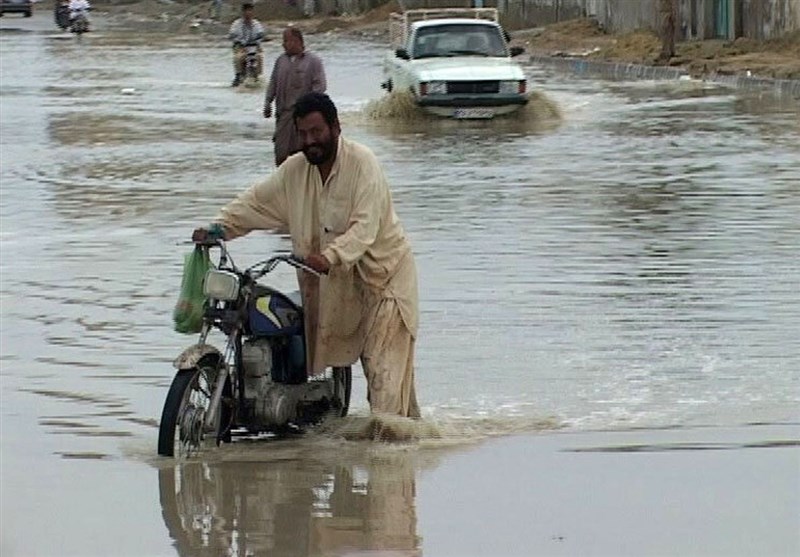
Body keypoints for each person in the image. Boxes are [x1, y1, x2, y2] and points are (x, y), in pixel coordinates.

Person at [193, 92, 420, 418]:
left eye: (317, 132)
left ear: (336, 128)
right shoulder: (294, 171)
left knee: (385, 383)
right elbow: (256, 203)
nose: (310, 141)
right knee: (391, 392)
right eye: (303, 134)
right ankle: (409, 444)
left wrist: (329, 256)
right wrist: (218, 228)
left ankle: (393, 454)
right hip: (334, 284)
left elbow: (364, 228)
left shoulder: (363, 164)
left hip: (384, 283)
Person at [263, 27, 326, 166]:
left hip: (303, 118)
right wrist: (268, 102)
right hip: (283, 116)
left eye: (286, 40)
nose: (283, 44)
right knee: (281, 154)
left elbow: (320, 87)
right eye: (283, 41)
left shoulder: (313, 61)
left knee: (302, 157)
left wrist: (310, 109)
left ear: (297, 41)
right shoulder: (280, 61)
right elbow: (273, 83)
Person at [228, 2, 265, 87]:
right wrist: (240, 43)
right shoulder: (236, 24)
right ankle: (238, 75)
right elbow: (232, 36)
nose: (249, 13)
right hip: (241, 47)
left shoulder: (256, 24)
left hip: (254, 47)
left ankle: (258, 76)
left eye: (250, 11)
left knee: (259, 56)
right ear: (243, 12)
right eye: (246, 11)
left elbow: (260, 35)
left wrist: (262, 39)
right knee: (238, 57)